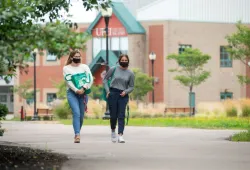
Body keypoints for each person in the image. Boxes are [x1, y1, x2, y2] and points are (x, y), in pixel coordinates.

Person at [103, 54, 135, 143]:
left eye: (126, 60)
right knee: (113, 116)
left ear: (128, 61)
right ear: (119, 60)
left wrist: (126, 92)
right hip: (113, 93)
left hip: (123, 95)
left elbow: (132, 86)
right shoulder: (113, 69)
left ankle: (120, 135)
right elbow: (105, 80)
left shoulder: (130, 73)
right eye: (122, 60)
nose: (124, 61)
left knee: (121, 115)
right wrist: (107, 91)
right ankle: (113, 131)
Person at [63, 50, 93, 143]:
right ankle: (77, 135)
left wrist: (84, 88)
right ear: (71, 58)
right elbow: (68, 81)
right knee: (76, 113)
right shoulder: (66, 68)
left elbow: (90, 78)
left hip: (83, 93)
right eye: (76, 56)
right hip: (72, 93)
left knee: (81, 116)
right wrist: (76, 90)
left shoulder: (85, 67)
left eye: (79, 56)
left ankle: (77, 132)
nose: (78, 58)